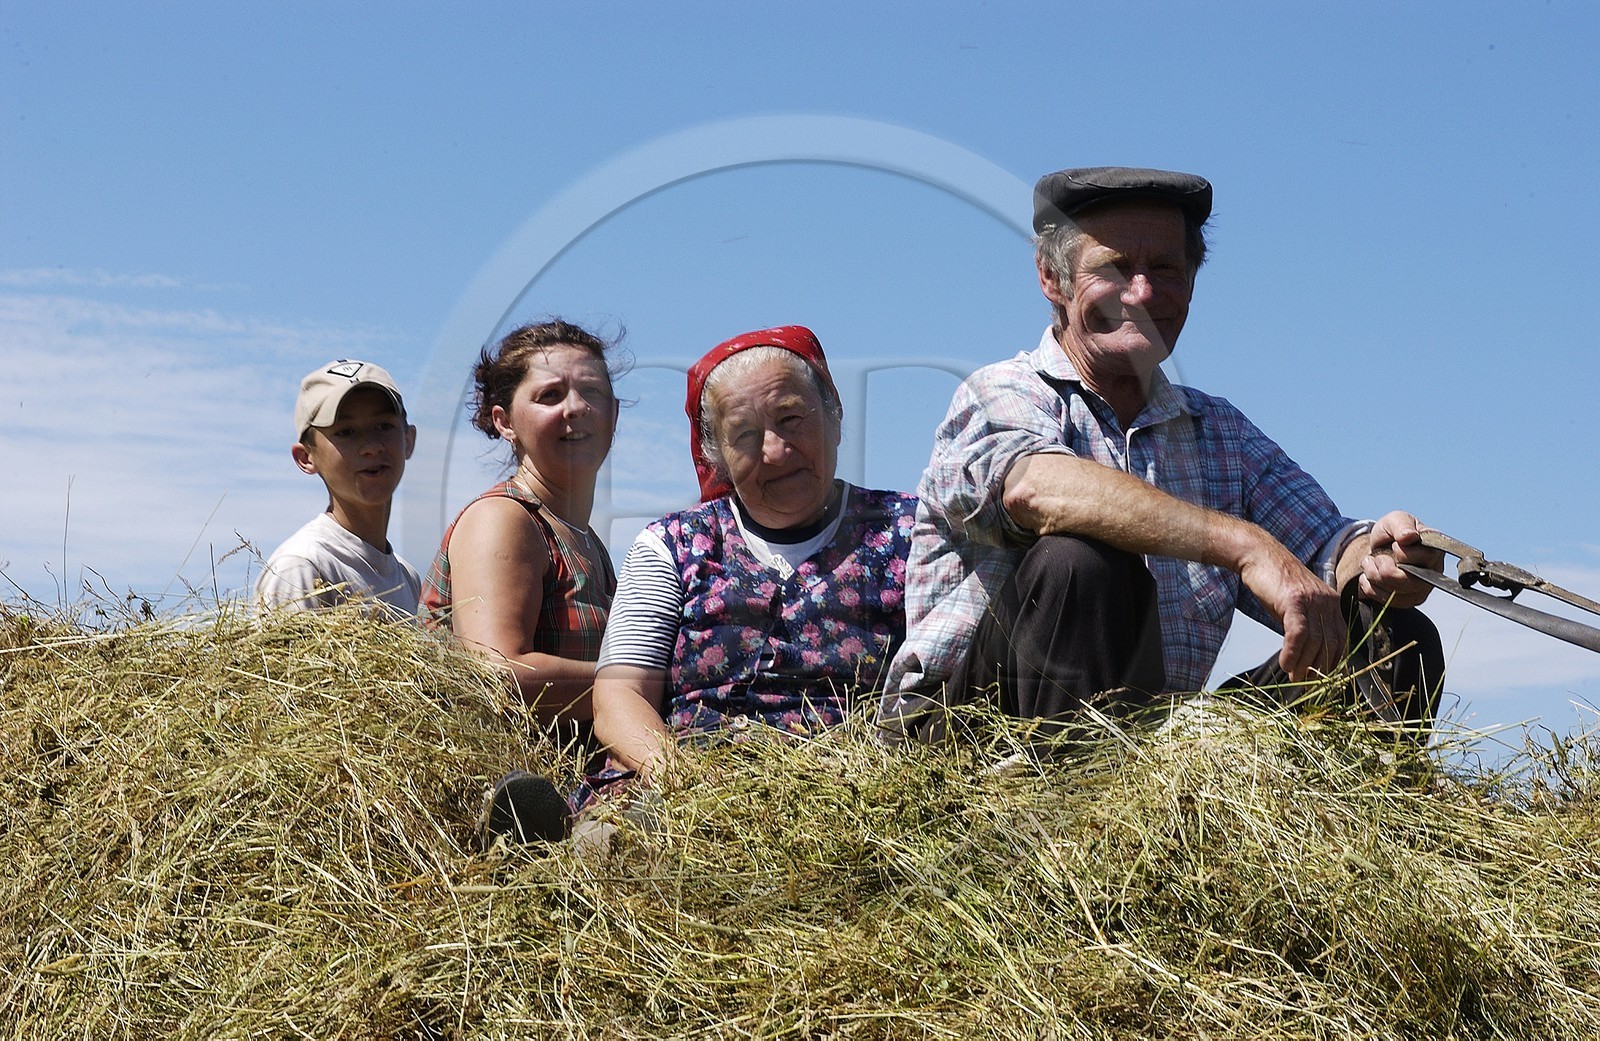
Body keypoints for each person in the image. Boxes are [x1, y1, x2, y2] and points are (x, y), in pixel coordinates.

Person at [876, 166, 1445, 745]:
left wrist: (1374, 560)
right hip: (965, 735)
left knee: (1393, 640)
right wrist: (1245, 546)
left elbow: (1323, 547)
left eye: (1167, 269)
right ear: (1053, 278)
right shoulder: (1000, 393)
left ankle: (1329, 829)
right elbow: (1034, 490)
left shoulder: (1218, 432)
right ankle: (1053, 819)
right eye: (1115, 267)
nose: (1143, 293)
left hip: (1152, 742)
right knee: (1082, 562)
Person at [590, 325, 918, 787]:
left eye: (791, 419)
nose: (776, 451)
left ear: (835, 415)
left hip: (859, 794)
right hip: (676, 791)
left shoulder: (910, 531)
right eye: (744, 434)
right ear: (716, 456)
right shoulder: (673, 544)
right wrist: (689, 788)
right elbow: (618, 696)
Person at [420, 320, 621, 730]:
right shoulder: (503, 520)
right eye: (550, 395)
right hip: (508, 786)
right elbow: (498, 674)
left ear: (613, 414)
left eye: (592, 392)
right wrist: (643, 684)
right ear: (505, 422)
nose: (576, 407)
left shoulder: (588, 543)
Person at [257, 359, 420, 618]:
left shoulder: (406, 579)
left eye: (384, 426)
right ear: (306, 457)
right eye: (346, 432)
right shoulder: (302, 568)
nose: (372, 446)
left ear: (408, 440)